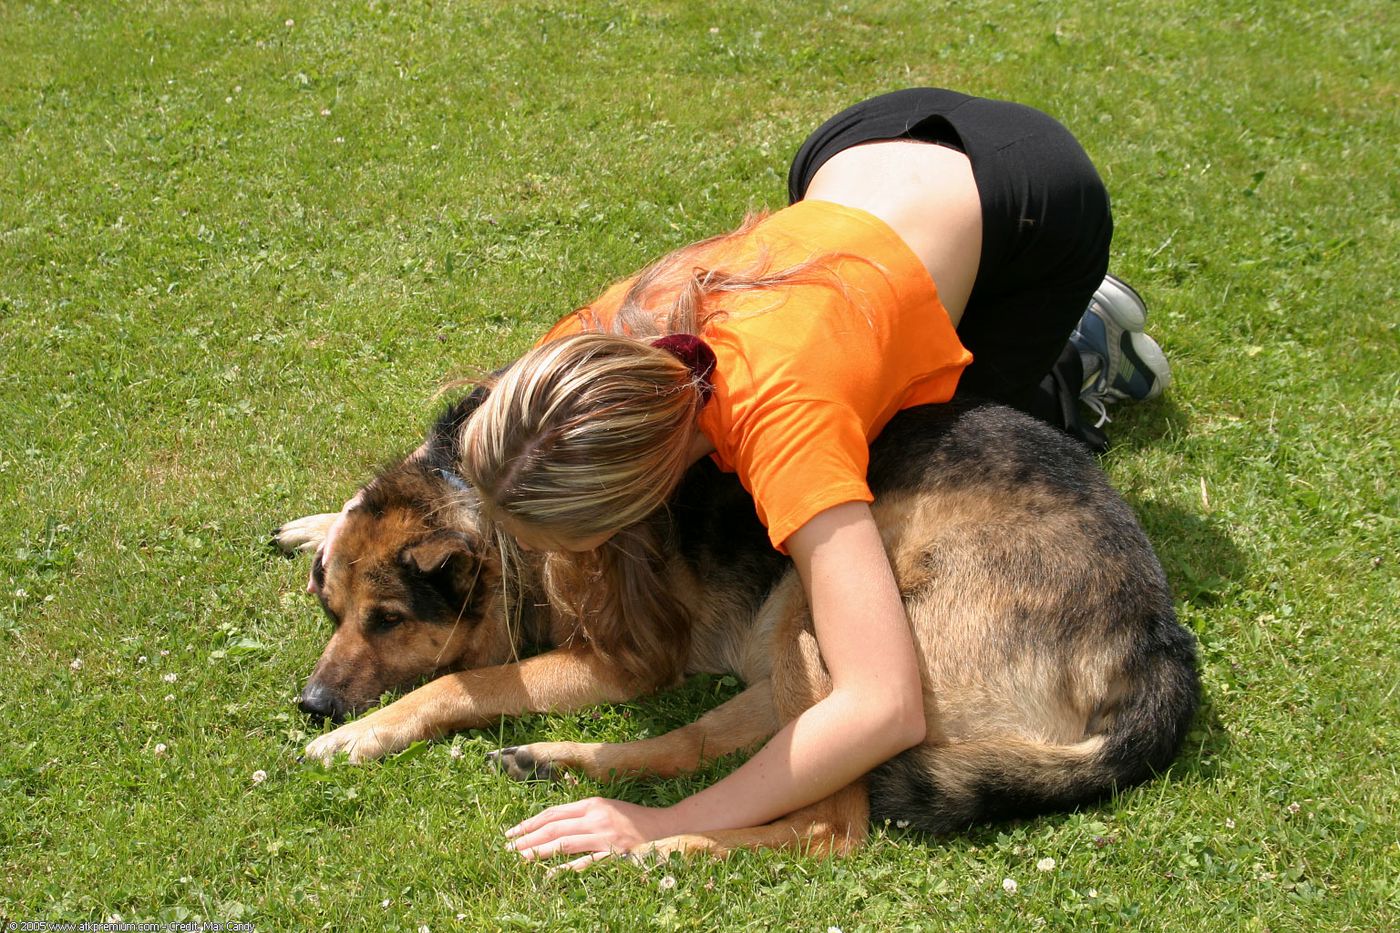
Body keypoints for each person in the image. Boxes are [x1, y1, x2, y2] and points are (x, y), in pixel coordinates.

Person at [319, 88, 1172, 869]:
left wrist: (665, 819)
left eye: (577, 543)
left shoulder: (788, 427)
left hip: (1034, 202)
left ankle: (1079, 346)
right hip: (862, 146)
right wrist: (360, 522)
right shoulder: (588, 353)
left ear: (646, 496)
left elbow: (882, 705)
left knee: (958, 411)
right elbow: (478, 453)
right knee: (903, 391)